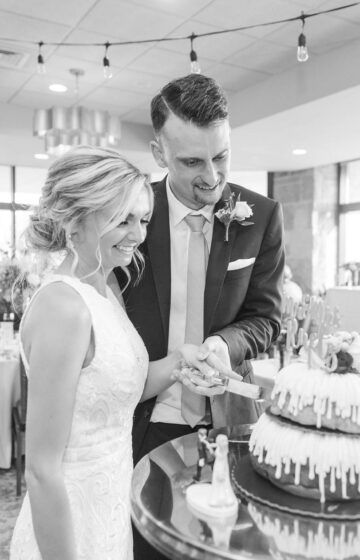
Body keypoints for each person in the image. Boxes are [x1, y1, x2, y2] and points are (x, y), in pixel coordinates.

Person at [9, 146, 235, 560]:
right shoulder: (64, 307)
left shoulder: (106, 287)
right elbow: (42, 470)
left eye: (143, 219)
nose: (138, 234)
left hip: (111, 507)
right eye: (122, 219)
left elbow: (117, 388)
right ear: (75, 222)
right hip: (70, 523)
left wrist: (182, 359)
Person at [122, 72, 285, 463]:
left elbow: (266, 318)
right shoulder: (130, 214)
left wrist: (225, 344)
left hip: (232, 419)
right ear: (159, 153)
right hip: (144, 418)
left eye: (221, 156)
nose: (212, 177)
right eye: (193, 161)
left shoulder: (261, 216)